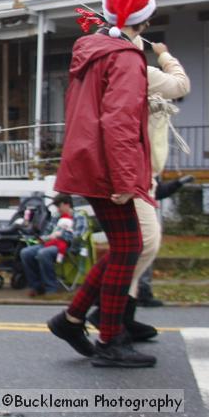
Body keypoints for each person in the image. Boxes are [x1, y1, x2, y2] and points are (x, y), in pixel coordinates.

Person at [47, 0, 156, 369]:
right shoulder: (124, 56)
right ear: (145, 17)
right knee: (129, 247)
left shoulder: (94, 48)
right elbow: (120, 123)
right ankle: (110, 339)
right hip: (107, 169)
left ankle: (72, 320)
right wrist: (127, 181)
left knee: (126, 246)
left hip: (89, 162)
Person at [88, 37, 190, 338]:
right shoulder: (136, 71)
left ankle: (120, 313)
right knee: (138, 244)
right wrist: (165, 55)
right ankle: (106, 311)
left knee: (146, 244)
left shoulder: (115, 72)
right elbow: (181, 85)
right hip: (133, 170)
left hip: (140, 169)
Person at [20, 194, 86, 296]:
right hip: (50, 243)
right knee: (25, 252)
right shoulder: (56, 217)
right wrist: (44, 237)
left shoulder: (78, 217)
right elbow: (47, 232)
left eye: (59, 206)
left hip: (66, 247)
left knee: (43, 253)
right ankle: (36, 286)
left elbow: (78, 236)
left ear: (67, 204)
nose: (58, 209)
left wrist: (61, 235)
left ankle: (51, 288)